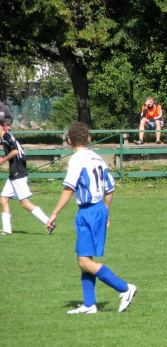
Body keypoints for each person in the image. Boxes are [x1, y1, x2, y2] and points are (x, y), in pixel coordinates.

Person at [46, 122, 137, 314]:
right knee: (85, 258)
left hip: (88, 211)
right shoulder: (97, 158)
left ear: (69, 140)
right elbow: (110, 188)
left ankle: (124, 288)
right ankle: (89, 304)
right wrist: (106, 212)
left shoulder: (77, 159)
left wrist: (53, 214)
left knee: (84, 261)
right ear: (87, 139)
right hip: (97, 209)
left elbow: (69, 188)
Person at [0, 115, 53, 236]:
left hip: (18, 173)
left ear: (3, 126)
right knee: (3, 199)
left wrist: (3, 160)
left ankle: (49, 222)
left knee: (24, 203)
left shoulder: (6, 136)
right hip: (14, 173)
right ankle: (7, 230)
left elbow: (15, 151)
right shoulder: (7, 137)